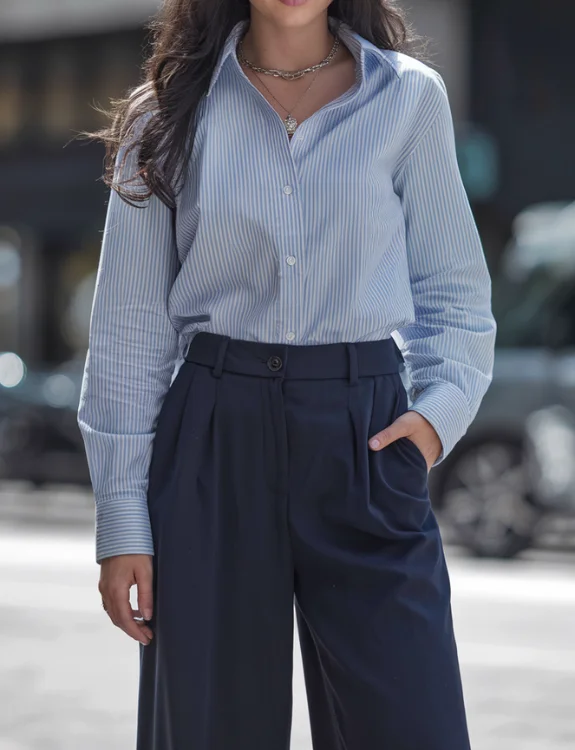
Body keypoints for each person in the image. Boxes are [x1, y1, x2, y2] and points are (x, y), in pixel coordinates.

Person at [77, 0, 497, 747]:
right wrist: (122, 519)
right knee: (210, 728)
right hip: (212, 433)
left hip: (365, 433)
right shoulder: (168, 111)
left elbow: (452, 292)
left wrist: (433, 422)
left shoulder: (406, 97)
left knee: (411, 723)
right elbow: (130, 329)